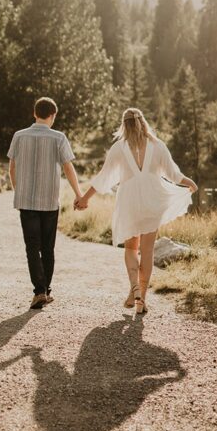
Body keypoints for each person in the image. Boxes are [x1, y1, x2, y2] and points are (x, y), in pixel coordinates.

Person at [75, 107, 197, 315]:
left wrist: (85, 199)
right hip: (153, 198)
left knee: (131, 249)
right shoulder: (157, 145)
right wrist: (189, 182)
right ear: (143, 122)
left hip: (130, 200)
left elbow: (104, 177)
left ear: (124, 125)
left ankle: (134, 288)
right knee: (147, 251)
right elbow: (173, 174)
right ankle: (141, 301)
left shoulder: (118, 148)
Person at [8, 96, 82, 309]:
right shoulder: (58, 138)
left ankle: (39, 291)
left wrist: (18, 190)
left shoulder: (19, 136)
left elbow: (12, 167)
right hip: (50, 201)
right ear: (53, 116)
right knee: (47, 248)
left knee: (32, 247)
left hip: (27, 201)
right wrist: (78, 194)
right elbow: (68, 168)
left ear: (34, 113)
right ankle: (45, 290)